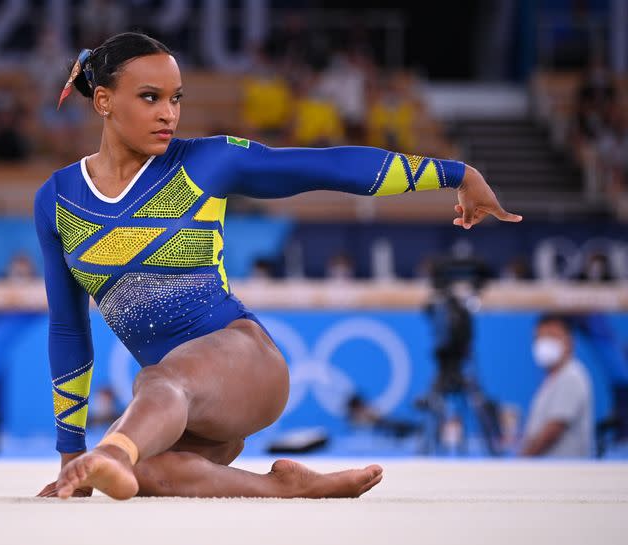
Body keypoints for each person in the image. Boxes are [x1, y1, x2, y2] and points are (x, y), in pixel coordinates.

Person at [34, 32, 522, 501]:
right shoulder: (58, 200)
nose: (169, 114)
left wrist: (457, 173)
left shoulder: (206, 163)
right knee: (150, 472)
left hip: (246, 366)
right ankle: (286, 486)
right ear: (103, 101)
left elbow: (328, 168)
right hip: (184, 408)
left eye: (176, 99)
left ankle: (113, 452)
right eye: (150, 97)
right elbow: (69, 331)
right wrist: (68, 456)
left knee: (154, 387)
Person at [521, 315, 594, 458]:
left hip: (565, 472)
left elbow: (553, 429)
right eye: (539, 338)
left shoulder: (571, 376)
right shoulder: (552, 380)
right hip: (548, 471)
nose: (544, 343)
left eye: (551, 336)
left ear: (569, 341)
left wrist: (523, 460)